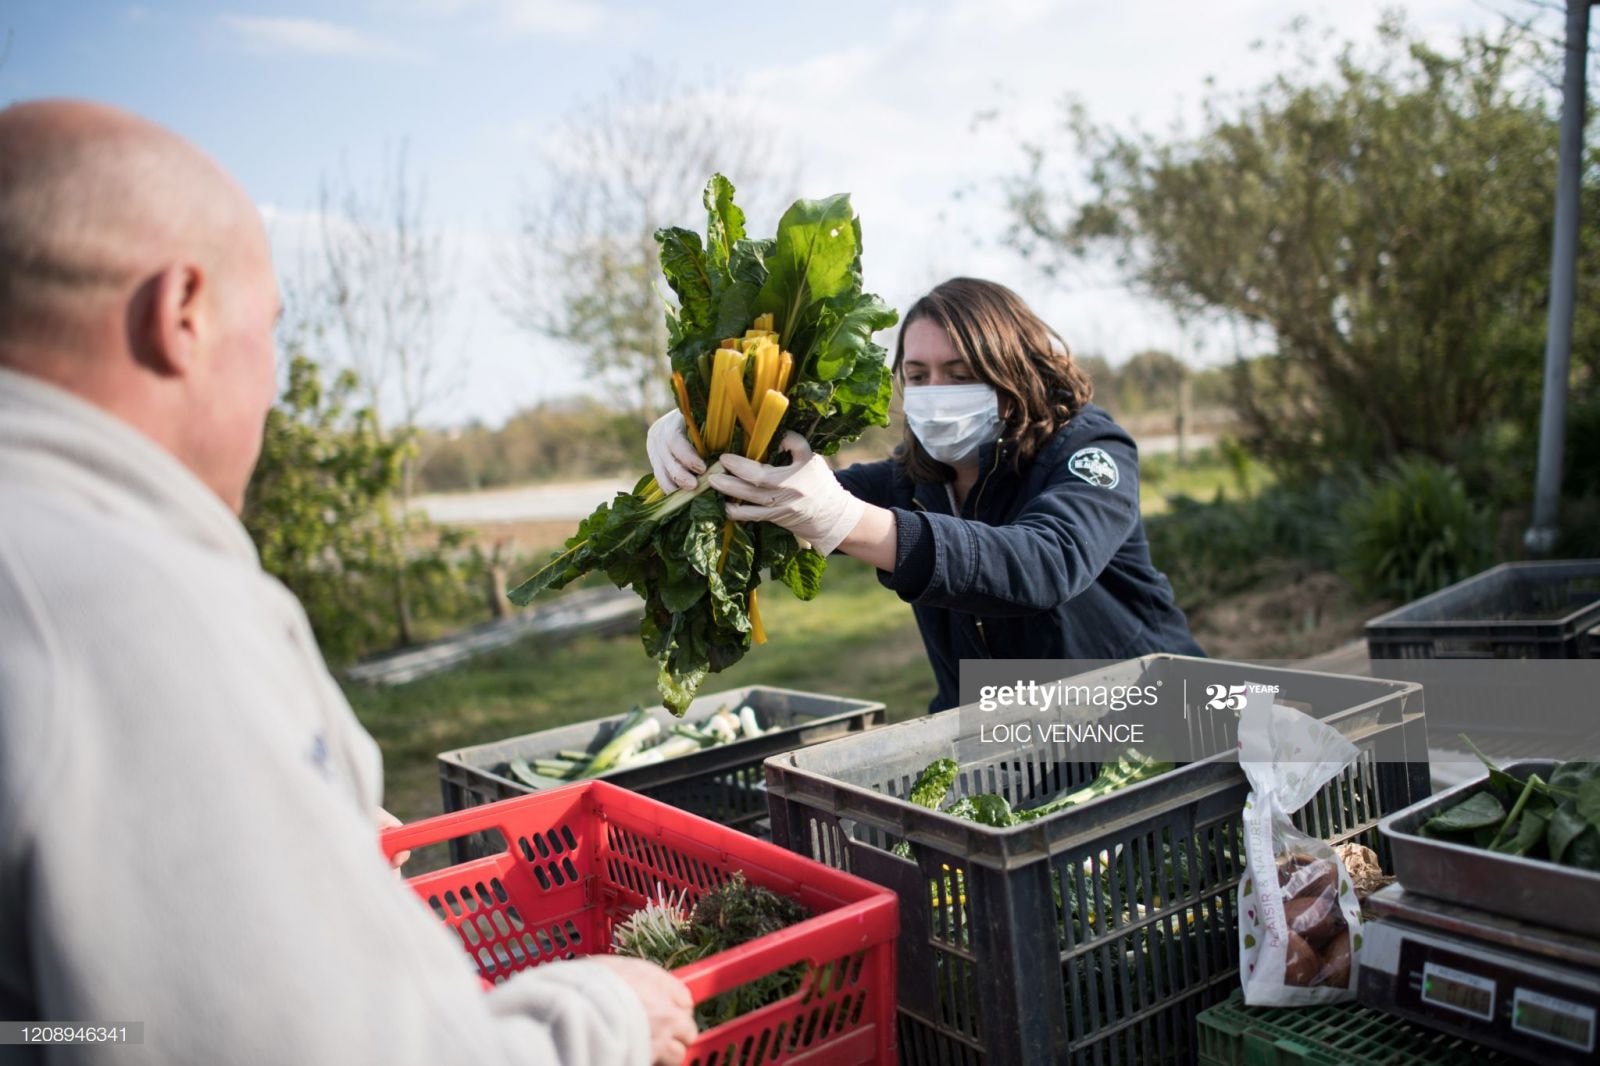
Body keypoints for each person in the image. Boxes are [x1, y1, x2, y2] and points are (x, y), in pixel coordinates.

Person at [0, 100, 695, 1066]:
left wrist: (284, 811)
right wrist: (599, 1018)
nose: (272, 385)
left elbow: (62, 1028)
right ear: (182, 313)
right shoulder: (125, 606)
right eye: (271, 328)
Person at [648, 277, 1204, 713]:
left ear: (1014, 376)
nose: (935, 394)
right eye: (918, 375)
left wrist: (850, 522)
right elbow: (780, 494)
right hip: (1007, 735)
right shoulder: (910, 479)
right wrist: (704, 432)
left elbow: (1046, 562)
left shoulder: (1087, 449)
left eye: (960, 375)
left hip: (1151, 715)